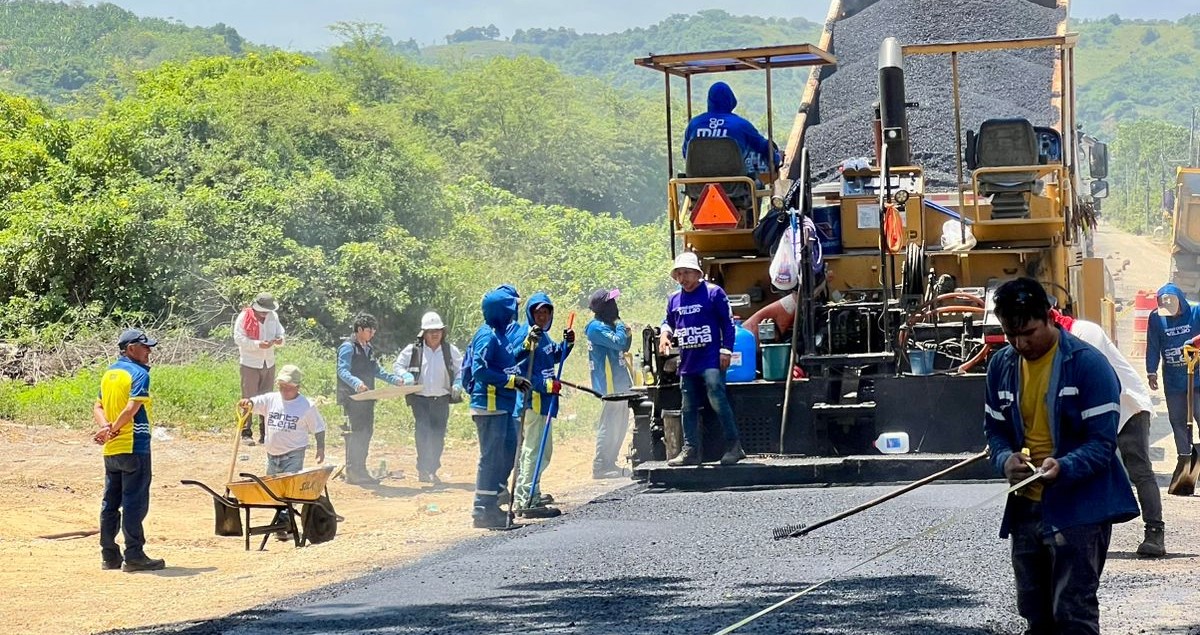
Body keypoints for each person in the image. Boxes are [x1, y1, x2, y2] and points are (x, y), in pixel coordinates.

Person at [983, 278, 1139, 634]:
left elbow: (1102, 444)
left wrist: (1063, 466)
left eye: (1028, 332)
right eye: (1010, 335)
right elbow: (994, 432)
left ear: (1050, 318)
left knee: (1073, 613)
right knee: (1034, 612)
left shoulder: (1088, 365)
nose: (1020, 343)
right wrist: (1005, 458)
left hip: (1080, 510)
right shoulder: (1001, 367)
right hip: (1027, 507)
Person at [1051, 309, 1165, 557]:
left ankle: (1155, 534)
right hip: (1098, 412)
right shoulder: (1054, 347)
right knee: (1089, 470)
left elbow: (1084, 381)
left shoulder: (1084, 333)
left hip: (1128, 406)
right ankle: (1083, 533)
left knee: (1139, 469)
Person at [658, 251, 744, 466]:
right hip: (688, 361)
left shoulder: (714, 293)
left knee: (717, 398)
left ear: (698, 273)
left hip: (710, 358)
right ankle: (690, 450)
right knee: (687, 405)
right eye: (679, 274)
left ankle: (734, 446)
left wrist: (726, 350)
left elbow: (728, 324)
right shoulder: (674, 299)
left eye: (687, 273)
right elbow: (668, 322)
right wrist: (664, 335)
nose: (682, 278)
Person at [93, 328, 165, 572]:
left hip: (112, 450)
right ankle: (134, 555)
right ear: (131, 348)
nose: (149, 352)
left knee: (110, 503)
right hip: (134, 445)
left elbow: (98, 406)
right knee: (135, 502)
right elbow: (132, 408)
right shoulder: (138, 373)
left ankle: (109, 556)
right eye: (145, 347)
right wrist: (114, 429)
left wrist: (105, 428)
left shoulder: (109, 374)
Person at [466, 284, 529, 528]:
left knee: (510, 451)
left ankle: (494, 498)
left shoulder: (500, 335)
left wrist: (526, 348)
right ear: (502, 310)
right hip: (489, 405)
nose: (515, 313)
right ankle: (482, 510)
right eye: (512, 307)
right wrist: (511, 381)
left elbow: (507, 361)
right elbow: (480, 370)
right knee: (491, 457)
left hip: (503, 405)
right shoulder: (487, 334)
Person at [510, 292, 574, 518]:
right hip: (534, 402)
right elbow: (518, 368)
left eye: (546, 312)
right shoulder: (528, 336)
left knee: (543, 452)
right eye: (539, 312)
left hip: (545, 404)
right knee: (533, 451)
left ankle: (533, 491)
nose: (543, 316)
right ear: (530, 314)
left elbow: (554, 356)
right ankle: (525, 499)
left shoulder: (543, 337)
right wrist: (547, 386)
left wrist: (568, 343)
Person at [393, 311, 464, 485]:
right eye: (431, 331)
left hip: (441, 399)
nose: (435, 334)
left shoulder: (449, 350)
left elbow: (462, 368)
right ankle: (423, 469)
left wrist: (459, 383)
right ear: (423, 333)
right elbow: (397, 365)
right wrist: (405, 375)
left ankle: (432, 468)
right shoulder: (414, 350)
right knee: (423, 434)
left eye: (438, 331)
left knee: (438, 435)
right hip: (420, 399)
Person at [336, 313, 407, 485]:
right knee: (356, 433)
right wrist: (357, 383)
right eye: (369, 330)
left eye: (374, 330)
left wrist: (394, 380)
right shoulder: (348, 347)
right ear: (359, 329)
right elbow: (342, 370)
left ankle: (361, 468)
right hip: (352, 398)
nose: (372, 333)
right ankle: (353, 470)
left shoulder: (368, 347)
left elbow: (376, 369)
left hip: (368, 398)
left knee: (367, 432)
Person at [1145, 283, 1200, 484]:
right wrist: (1151, 370)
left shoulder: (1196, 311)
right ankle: (1185, 459)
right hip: (1173, 381)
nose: (1170, 315)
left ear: (1182, 304)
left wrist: (1194, 343)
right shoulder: (1156, 318)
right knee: (1178, 421)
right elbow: (1153, 344)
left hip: (1198, 378)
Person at [238, 364, 326, 477]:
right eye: (281, 387)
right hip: (271, 455)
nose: (284, 390)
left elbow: (319, 428)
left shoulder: (307, 406)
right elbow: (255, 402)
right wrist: (248, 402)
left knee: (288, 485)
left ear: (297, 387)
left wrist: (320, 449)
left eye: (288, 388)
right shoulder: (271, 399)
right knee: (272, 488)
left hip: (293, 455)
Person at [682, 82, 781, 175]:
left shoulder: (694, 124)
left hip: (697, 186)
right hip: (735, 186)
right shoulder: (741, 125)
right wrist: (777, 159)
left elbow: (686, 154)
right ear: (731, 100)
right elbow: (764, 147)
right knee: (757, 183)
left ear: (709, 100)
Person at [585, 287, 632, 479]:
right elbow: (619, 342)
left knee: (619, 424)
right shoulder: (596, 328)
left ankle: (610, 462)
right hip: (610, 385)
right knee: (609, 424)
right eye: (611, 302)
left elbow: (625, 345)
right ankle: (601, 465)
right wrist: (621, 325)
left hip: (620, 382)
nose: (615, 305)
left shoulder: (608, 325)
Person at [232, 292, 286, 446]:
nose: (264, 314)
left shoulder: (273, 316)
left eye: (267, 311)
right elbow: (238, 338)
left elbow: (281, 333)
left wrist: (279, 340)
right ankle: (246, 433)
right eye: (262, 311)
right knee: (248, 398)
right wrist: (257, 344)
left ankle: (265, 433)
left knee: (267, 398)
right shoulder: (244, 317)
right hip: (250, 363)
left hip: (268, 362)